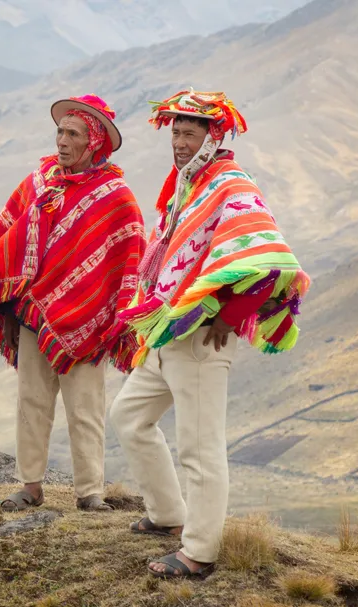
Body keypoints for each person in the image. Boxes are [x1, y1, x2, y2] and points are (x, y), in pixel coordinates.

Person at [112, 89, 310, 578]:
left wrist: (229, 314)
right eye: (175, 132)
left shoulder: (230, 183)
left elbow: (270, 260)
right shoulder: (187, 183)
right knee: (129, 418)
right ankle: (167, 513)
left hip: (201, 337)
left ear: (212, 134)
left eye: (189, 132)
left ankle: (198, 552)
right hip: (168, 329)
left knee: (200, 448)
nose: (179, 141)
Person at [0, 94, 146, 513]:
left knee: (85, 407)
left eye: (73, 134)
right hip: (33, 318)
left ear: (95, 142)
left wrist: (114, 319)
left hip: (88, 324)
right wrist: (7, 311)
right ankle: (29, 485)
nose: (62, 141)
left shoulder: (116, 198)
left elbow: (129, 261)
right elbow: (4, 248)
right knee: (31, 401)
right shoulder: (37, 185)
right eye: (60, 132)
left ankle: (90, 492)